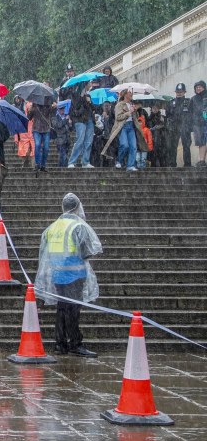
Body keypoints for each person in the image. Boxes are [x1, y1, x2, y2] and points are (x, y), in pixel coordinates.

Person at [35, 193, 101, 357]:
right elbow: (87, 252)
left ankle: (60, 343)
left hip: (57, 275)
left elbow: (45, 253)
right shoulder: (78, 226)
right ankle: (75, 343)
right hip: (74, 274)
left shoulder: (53, 227)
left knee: (62, 308)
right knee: (73, 310)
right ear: (77, 207)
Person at [102, 89, 138, 171]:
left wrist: (135, 111)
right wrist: (129, 112)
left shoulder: (132, 104)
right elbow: (118, 117)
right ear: (125, 95)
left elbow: (134, 118)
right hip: (123, 127)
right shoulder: (119, 105)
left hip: (131, 126)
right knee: (124, 145)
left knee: (133, 147)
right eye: (129, 93)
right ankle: (119, 160)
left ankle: (130, 165)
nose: (131, 94)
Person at [166, 83, 195, 167]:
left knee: (186, 146)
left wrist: (190, 126)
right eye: (178, 91)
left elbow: (191, 114)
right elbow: (168, 114)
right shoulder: (171, 102)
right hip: (174, 127)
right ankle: (172, 164)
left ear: (184, 92)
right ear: (175, 92)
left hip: (185, 127)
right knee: (173, 146)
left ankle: (187, 164)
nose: (179, 93)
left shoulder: (188, 102)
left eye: (181, 91)